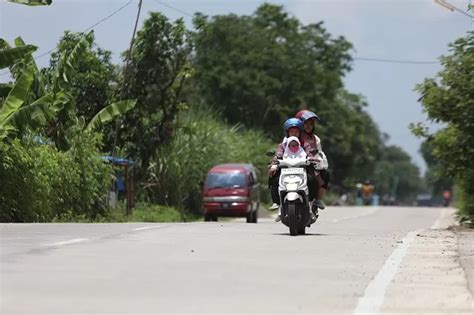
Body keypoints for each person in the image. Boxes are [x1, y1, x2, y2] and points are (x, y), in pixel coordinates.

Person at [268, 119, 316, 222]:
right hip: (286, 170)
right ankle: (277, 203)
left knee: (312, 179)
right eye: (291, 131)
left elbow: (310, 154)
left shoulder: (305, 144)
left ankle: (311, 205)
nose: (294, 134)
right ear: (287, 132)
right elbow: (278, 155)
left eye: (296, 131)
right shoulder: (283, 145)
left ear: (300, 132)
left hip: (302, 169)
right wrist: (273, 164)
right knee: (274, 178)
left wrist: (312, 159)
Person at [297, 110, 330, 210]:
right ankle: (278, 202)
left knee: (325, 175)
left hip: (310, 165)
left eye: (311, 124)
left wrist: (320, 161)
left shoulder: (316, 139)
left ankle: (317, 200)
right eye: (306, 123)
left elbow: (319, 152)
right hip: (294, 165)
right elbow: (283, 149)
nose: (308, 126)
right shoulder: (294, 136)